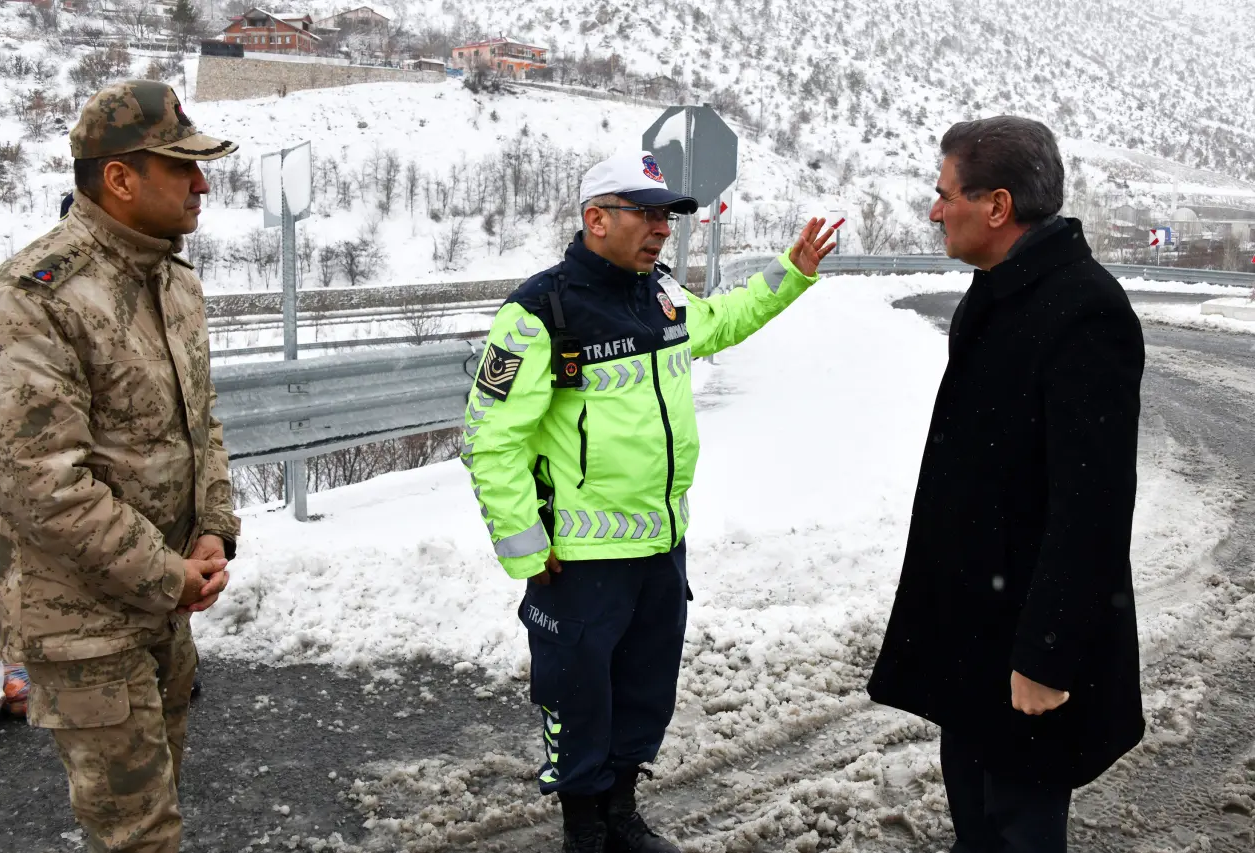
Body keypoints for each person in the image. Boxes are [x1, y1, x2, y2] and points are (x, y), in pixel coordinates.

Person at [461, 150, 837, 852]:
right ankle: (583, 830)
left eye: (667, 214)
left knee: (642, 692)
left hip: (661, 543)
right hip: (579, 556)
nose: (662, 228)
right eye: (646, 213)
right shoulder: (540, 311)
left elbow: (721, 321)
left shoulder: (660, 297)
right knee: (578, 697)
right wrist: (524, 543)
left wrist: (792, 276)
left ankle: (621, 815)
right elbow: (490, 437)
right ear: (596, 218)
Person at [866, 116, 1146, 853]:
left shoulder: (1086, 310)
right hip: (972, 634)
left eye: (945, 193)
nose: (934, 210)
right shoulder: (992, 295)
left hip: (1026, 641)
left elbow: (1094, 504)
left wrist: (1047, 653)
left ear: (996, 206)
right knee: (977, 825)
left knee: (1020, 830)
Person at [0, 80, 241, 851]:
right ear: (120, 178)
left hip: (165, 601)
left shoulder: (174, 283)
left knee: (161, 805)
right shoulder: (30, 299)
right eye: (181, 167)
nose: (203, 184)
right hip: (82, 618)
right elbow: (41, 484)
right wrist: (167, 571)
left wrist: (215, 530)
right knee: (137, 834)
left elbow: (202, 425)